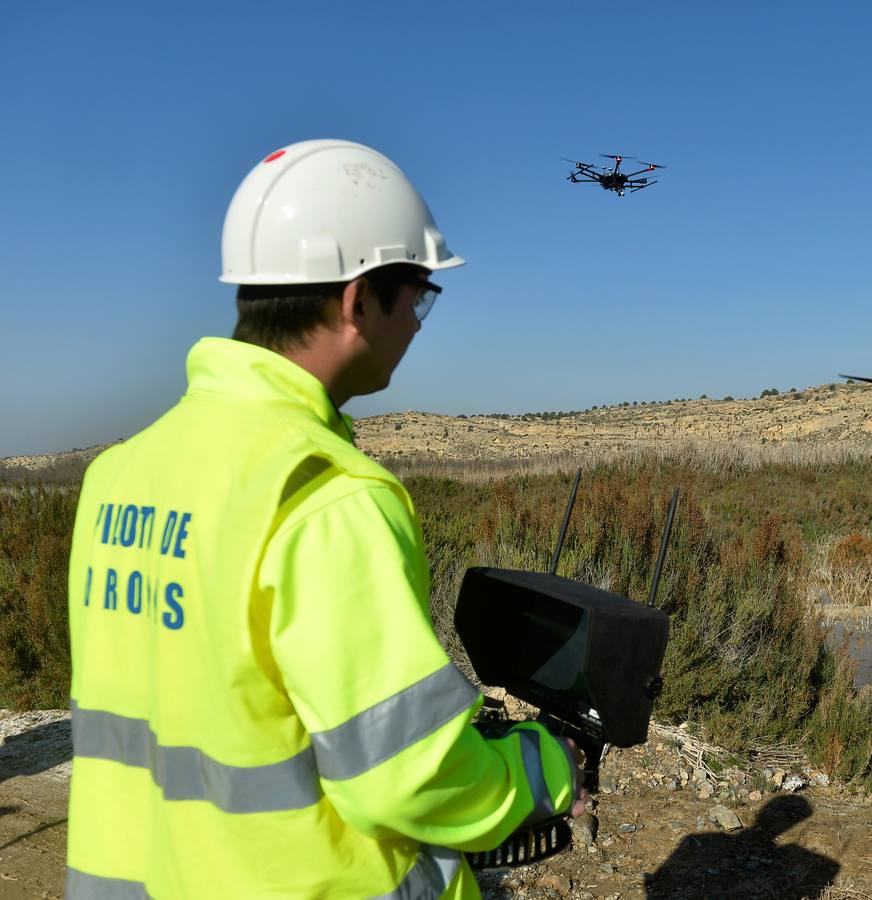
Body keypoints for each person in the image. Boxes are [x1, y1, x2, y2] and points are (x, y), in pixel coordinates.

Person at [65, 139, 585, 899]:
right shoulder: (328, 495)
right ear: (357, 299)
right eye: (419, 297)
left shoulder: (117, 474)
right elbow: (406, 779)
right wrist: (542, 770)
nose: (417, 322)